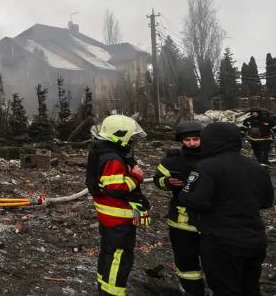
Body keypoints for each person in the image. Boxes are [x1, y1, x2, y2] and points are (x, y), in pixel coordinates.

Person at [179, 122, 274, 296]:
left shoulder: (205, 167)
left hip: (221, 242)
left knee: (225, 289)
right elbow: (267, 202)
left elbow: (192, 200)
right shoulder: (256, 167)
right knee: (251, 288)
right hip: (255, 239)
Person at [85, 114, 151, 296]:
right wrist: (136, 177)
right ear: (119, 135)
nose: (132, 141)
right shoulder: (112, 158)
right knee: (119, 258)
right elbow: (115, 188)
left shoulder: (102, 151)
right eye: (131, 137)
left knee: (108, 252)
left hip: (109, 219)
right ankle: (111, 292)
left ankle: (103, 285)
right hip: (119, 220)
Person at [153, 121, 205, 295]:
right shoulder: (172, 160)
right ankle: (194, 291)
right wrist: (167, 182)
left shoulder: (213, 157)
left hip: (210, 221)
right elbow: (157, 179)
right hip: (180, 221)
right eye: (188, 140)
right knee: (186, 261)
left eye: (196, 139)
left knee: (215, 260)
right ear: (181, 141)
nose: (192, 143)